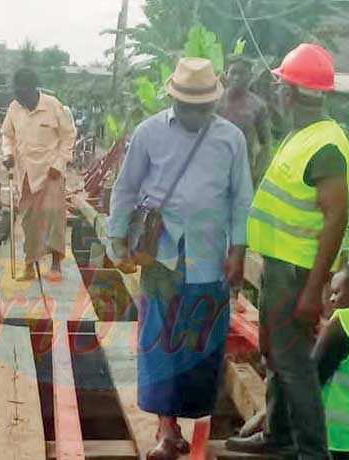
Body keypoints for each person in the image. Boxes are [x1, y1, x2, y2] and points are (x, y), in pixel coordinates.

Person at [108, 57, 253, 460]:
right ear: (174, 99)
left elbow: (241, 198)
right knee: (161, 340)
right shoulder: (149, 132)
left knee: (202, 341)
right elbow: (125, 189)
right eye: (187, 105)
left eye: (201, 106)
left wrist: (238, 250)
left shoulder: (231, 139)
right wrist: (117, 238)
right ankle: (165, 429)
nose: (194, 113)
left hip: (210, 254)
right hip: (162, 254)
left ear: (213, 103)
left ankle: (192, 419)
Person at [244, 43, 349, 460]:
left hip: (297, 271)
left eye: (280, 86)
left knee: (294, 364)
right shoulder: (303, 134)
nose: (275, 94)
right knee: (275, 352)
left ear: (290, 93)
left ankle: (310, 451)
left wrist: (313, 290)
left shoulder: (325, 145)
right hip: (280, 265)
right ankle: (277, 434)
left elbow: (336, 218)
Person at [228, 260, 349, 460]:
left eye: (337, 292)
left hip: (340, 441)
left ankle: (276, 439)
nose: (331, 299)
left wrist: (263, 418)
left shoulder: (343, 323)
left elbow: (308, 381)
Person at [1, 68, 76, 282]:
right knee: (29, 221)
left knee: (53, 216)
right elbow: (7, 135)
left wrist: (60, 163)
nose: (19, 96)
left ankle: (55, 264)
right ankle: (30, 264)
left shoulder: (53, 105)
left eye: (22, 92)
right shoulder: (14, 108)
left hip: (51, 171)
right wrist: (7, 154)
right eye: (16, 92)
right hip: (26, 173)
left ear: (33, 90)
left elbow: (68, 135)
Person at [218, 56, 274, 183]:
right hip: (216, 167)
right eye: (233, 72)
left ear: (251, 77)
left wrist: (256, 174)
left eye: (242, 73)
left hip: (243, 170)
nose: (237, 77)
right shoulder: (216, 101)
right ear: (227, 75)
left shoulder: (258, 106)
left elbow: (266, 143)